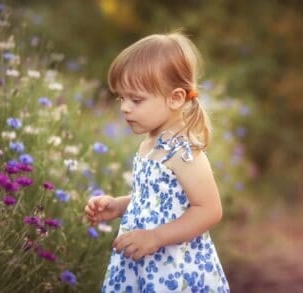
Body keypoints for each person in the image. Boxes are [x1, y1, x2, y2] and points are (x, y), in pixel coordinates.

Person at [85, 31, 230, 292]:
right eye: (121, 98)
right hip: (142, 266)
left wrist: (156, 237)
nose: (125, 107)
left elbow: (209, 210)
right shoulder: (149, 145)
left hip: (173, 270)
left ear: (175, 98)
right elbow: (158, 199)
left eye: (136, 99)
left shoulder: (183, 152)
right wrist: (119, 205)